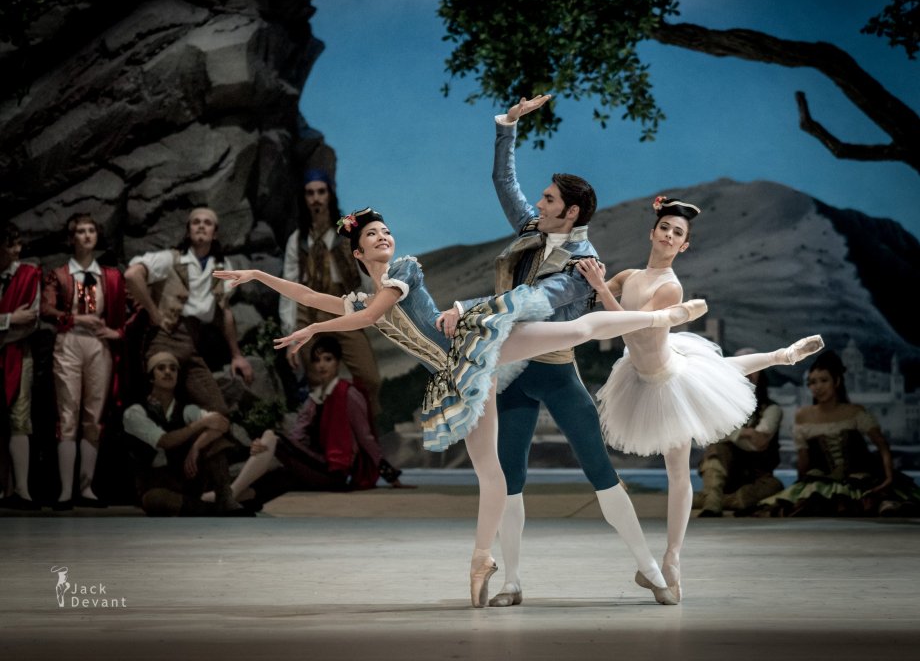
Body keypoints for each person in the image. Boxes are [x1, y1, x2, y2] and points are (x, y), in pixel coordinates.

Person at [215, 208, 706, 607]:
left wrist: (313, 329)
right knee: (492, 476)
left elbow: (369, 315)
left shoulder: (402, 270)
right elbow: (311, 296)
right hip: (456, 376)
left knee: (575, 330)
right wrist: (259, 275)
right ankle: (481, 561)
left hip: (474, 343)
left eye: (386, 229)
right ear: (359, 252)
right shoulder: (363, 294)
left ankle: (666, 315)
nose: (385, 236)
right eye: (373, 235)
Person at [437, 95, 678, 609]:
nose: (538, 205)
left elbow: (531, 302)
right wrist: (507, 125)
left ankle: (653, 572)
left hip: (556, 373)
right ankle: (513, 582)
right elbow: (505, 184)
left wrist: (466, 305)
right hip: (514, 374)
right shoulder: (533, 230)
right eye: (541, 199)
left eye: (548, 201)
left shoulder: (581, 263)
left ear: (570, 213)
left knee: (601, 474)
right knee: (510, 478)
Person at [578, 195, 824, 601]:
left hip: (665, 380)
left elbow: (626, 330)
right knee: (721, 368)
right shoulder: (631, 275)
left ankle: (672, 558)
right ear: (652, 233)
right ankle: (782, 354)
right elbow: (599, 298)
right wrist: (597, 278)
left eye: (679, 233)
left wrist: (600, 286)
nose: (670, 236)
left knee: (679, 469)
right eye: (666, 228)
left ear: (684, 246)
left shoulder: (670, 287)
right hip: (642, 374)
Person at [202, 336, 409, 506]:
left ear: (338, 362)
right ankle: (223, 500)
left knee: (273, 437)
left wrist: (389, 474)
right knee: (273, 476)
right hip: (314, 465)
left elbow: (365, 437)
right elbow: (297, 437)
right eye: (317, 360)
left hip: (334, 472)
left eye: (327, 359)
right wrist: (267, 448)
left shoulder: (349, 394)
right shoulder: (315, 399)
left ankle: (228, 495)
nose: (321, 365)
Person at [756, 350, 920, 517]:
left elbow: (882, 444)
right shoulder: (803, 416)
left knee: (880, 503)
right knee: (805, 506)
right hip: (824, 480)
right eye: (812, 382)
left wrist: (888, 477)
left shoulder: (854, 412)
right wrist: (801, 487)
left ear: (837, 382)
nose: (817, 387)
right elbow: (803, 458)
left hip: (860, 477)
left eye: (823, 381)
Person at [124, 207, 253, 416]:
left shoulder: (222, 267)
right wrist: (154, 312)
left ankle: (197, 447)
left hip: (192, 344)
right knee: (160, 405)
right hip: (164, 340)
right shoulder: (170, 259)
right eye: (196, 222)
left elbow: (224, 312)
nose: (201, 226)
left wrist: (236, 355)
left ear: (215, 233)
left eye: (207, 223)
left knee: (218, 411)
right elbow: (132, 276)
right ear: (188, 230)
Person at [41, 213, 126, 509]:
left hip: (98, 344)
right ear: (72, 237)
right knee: (67, 414)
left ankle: (86, 488)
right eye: (81, 231)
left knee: (93, 416)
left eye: (91, 230)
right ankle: (65, 491)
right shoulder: (60, 274)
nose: (87, 235)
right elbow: (46, 309)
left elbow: (132, 308)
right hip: (70, 340)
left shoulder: (110, 276)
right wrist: (76, 317)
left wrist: (116, 331)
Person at [281, 169, 382, 417]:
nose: (316, 198)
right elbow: (288, 287)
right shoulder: (298, 240)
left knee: (370, 378)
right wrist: (290, 335)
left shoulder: (347, 234)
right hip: (309, 309)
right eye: (310, 193)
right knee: (318, 381)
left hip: (341, 305)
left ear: (330, 194)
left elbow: (366, 273)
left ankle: (368, 433)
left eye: (321, 192)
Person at [122, 351, 245, 516]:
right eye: (161, 368)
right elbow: (164, 441)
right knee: (155, 499)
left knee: (214, 438)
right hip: (155, 484)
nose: (168, 372)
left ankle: (224, 498)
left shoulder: (186, 409)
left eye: (173, 369)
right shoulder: (135, 413)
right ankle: (211, 510)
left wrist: (196, 446)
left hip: (185, 481)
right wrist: (199, 424)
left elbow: (221, 424)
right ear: (151, 377)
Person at [695, 349, 785, 517]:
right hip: (727, 478)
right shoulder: (721, 409)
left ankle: (713, 500)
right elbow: (710, 434)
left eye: (752, 367)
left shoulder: (772, 410)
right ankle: (713, 501)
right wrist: (746, 433)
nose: (746, 372)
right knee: (717, 449)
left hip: (757, 479)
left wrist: (730, 433)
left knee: (774, 486)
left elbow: (758, 443)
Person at [0, 221, 41, 511]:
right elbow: (17, 320)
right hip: (10, 342)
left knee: (19, 416)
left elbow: (30, 321)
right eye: (11, 243)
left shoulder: (28, 275)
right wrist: (7, 320)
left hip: (17, 352)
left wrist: (8, 329)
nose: (18, 249)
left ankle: (22, 490)